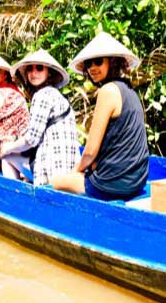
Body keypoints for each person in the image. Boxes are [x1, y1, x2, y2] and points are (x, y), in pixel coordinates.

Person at [50, 32, 149, 201]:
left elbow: (90, 151)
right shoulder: (131, 91)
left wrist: (75, 172)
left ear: (112, 62)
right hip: (138, 181)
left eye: (98, 62)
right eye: (88, 63)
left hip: (112, 184)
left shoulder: (107, 91)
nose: (92, 68)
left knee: (55, 182)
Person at [0, 49, 80, 185]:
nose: (34, 73)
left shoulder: (42, 95)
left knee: (7, 156)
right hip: (69, 171)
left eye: (39, 68)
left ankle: (15, 198)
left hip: (52, 173)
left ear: (48, 72)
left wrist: (8, 147)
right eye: (30, 69)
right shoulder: (56, 95)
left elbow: (31, 139)